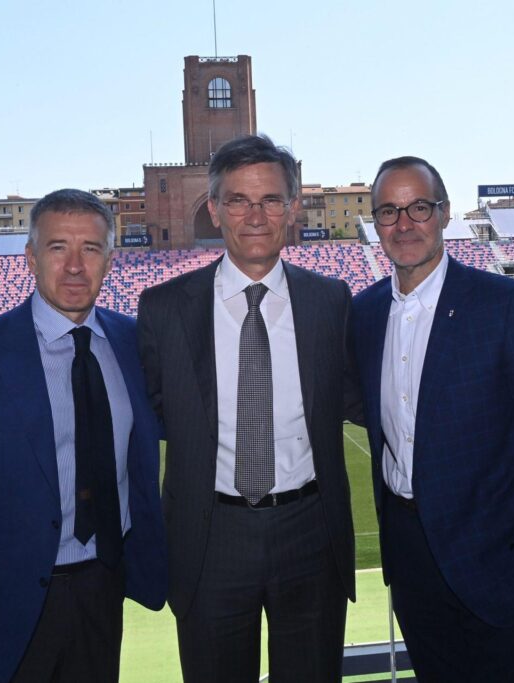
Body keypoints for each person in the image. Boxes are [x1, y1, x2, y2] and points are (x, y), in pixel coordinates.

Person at [350, 156, 514, 681]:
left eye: (418, 207)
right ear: (374, 224)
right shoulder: (365, 312)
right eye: (388, 212)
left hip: (503, 560)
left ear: (444, 213)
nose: (403, 224)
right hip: (412, 561)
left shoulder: (507, 305)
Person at [0, 189, 166, 683]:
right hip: (6, 604)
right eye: (58, 248)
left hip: (103, 587)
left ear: (110, 261)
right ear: (30, 258)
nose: (75, 265)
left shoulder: (135, 342)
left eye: (90, 249)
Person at [137, 134, 355, 683]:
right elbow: (159, 409)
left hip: (310, 531)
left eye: (271, 200)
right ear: (214, 209)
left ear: (293, 207)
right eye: (238, 200)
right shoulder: (164, 308)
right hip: (211, 539)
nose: (255, 216)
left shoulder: (332, 302)